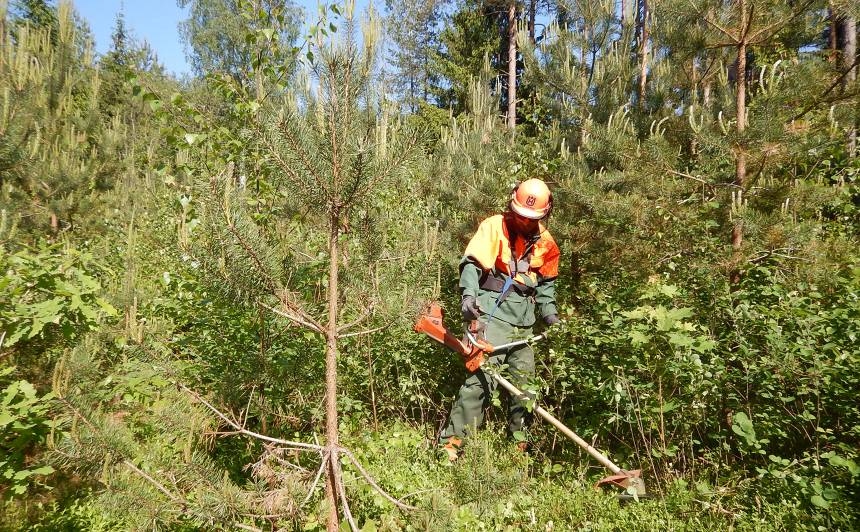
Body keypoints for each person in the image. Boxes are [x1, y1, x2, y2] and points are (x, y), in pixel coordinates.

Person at [440, 178, 561, 461]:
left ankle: (517, 450)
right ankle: (451, 446)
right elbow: (472, 264)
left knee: (525, 387)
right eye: (520, 214)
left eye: (531, 218)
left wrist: (552, 317)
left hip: (524, 322)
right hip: (491, 313)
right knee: (482, 379)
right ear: (512, 205)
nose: (523, 221)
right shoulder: (494, 226)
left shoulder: (547, 244)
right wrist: (468, 297)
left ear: (545, 214)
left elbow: (546, 287)